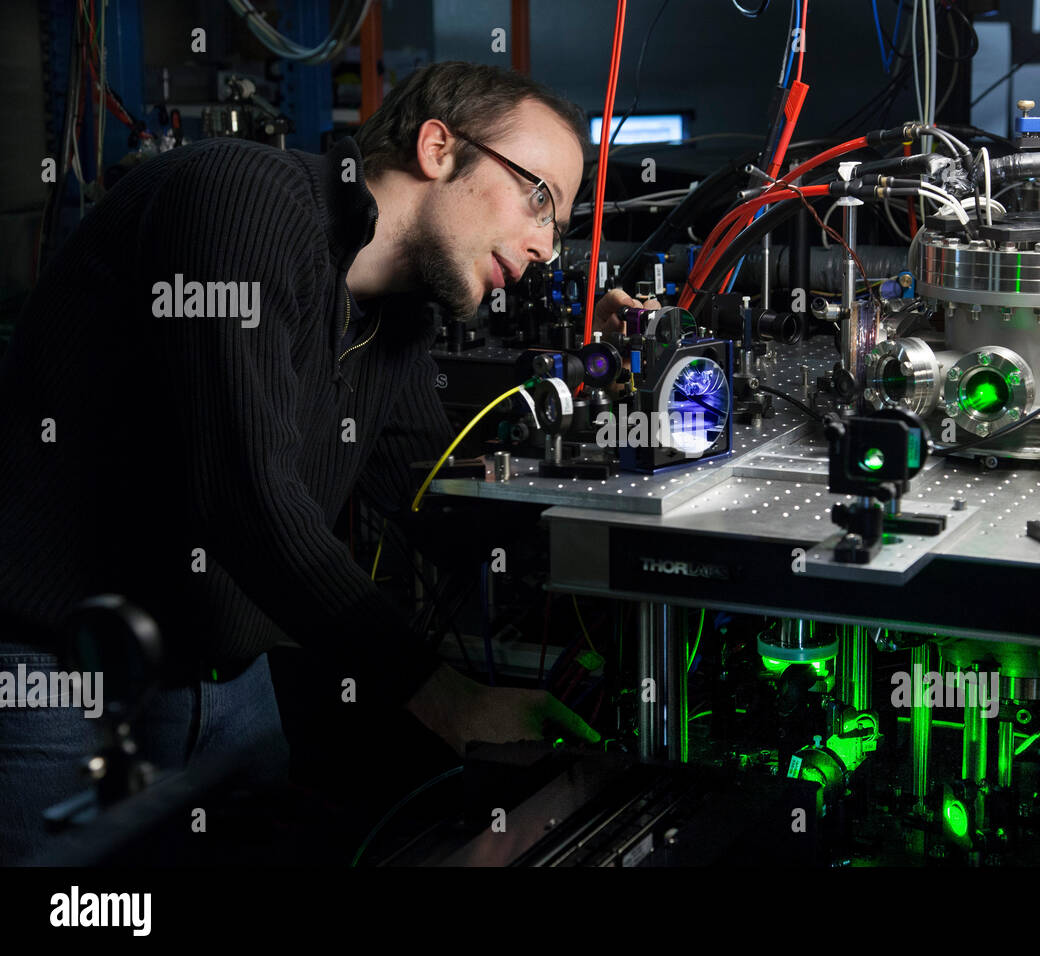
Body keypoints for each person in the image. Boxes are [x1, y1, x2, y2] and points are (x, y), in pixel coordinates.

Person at [0, 60, 640, 863]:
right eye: (538, 196)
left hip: (228, 686)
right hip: (60, 685)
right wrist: (437, 693)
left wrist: (624, 568)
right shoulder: (243, 195)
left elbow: (432, 498)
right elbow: (244, 494)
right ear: (439, 149)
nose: (547, 243)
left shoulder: (395, 317)